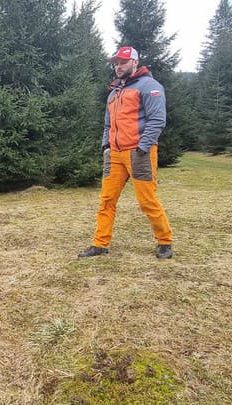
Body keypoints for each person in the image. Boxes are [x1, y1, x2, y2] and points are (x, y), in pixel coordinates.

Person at [78, 46, 173, 259]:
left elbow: (157, 120)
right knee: (106, 200)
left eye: (123, 62)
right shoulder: (114, 92)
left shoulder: (150, 86)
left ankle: (165, 241)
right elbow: (107, 124)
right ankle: (100, 244)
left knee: (147, 200)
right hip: (114, 155)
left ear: (135, 63)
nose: (118, 66)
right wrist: (106, 147)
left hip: (139, 153)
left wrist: (142, 147)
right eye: (116, 63)